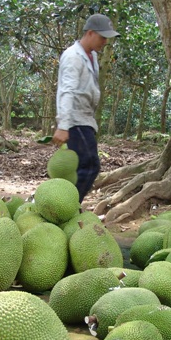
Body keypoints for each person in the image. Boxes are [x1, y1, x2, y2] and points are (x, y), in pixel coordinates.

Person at [52, 14, 120, 203]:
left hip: (85, 119)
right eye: (102, 37)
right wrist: (63, 125)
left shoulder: (92, 56)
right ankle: (66, 207)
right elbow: (67, 90)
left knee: (83, 166)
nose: (105, 42)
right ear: (90, 33)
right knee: (90, 166)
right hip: (75, 119)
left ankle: (64, 204)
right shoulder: (73, 57)